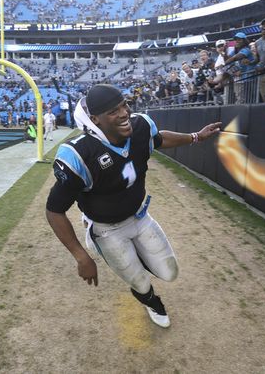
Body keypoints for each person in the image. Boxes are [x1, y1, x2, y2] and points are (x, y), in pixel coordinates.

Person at [45, 84, 221, 328]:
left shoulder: (140, 127)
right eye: (112, 111)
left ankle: (135, 254)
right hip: (107, 229)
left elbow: (158, 139)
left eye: (123, 105)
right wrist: (80, 256)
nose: (124, 113)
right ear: (95, 119)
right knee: (139, 281)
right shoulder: (80, 154)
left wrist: (196, 137)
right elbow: (54, 210)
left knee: (170, 272)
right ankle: (151, 300)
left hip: (139, 216)